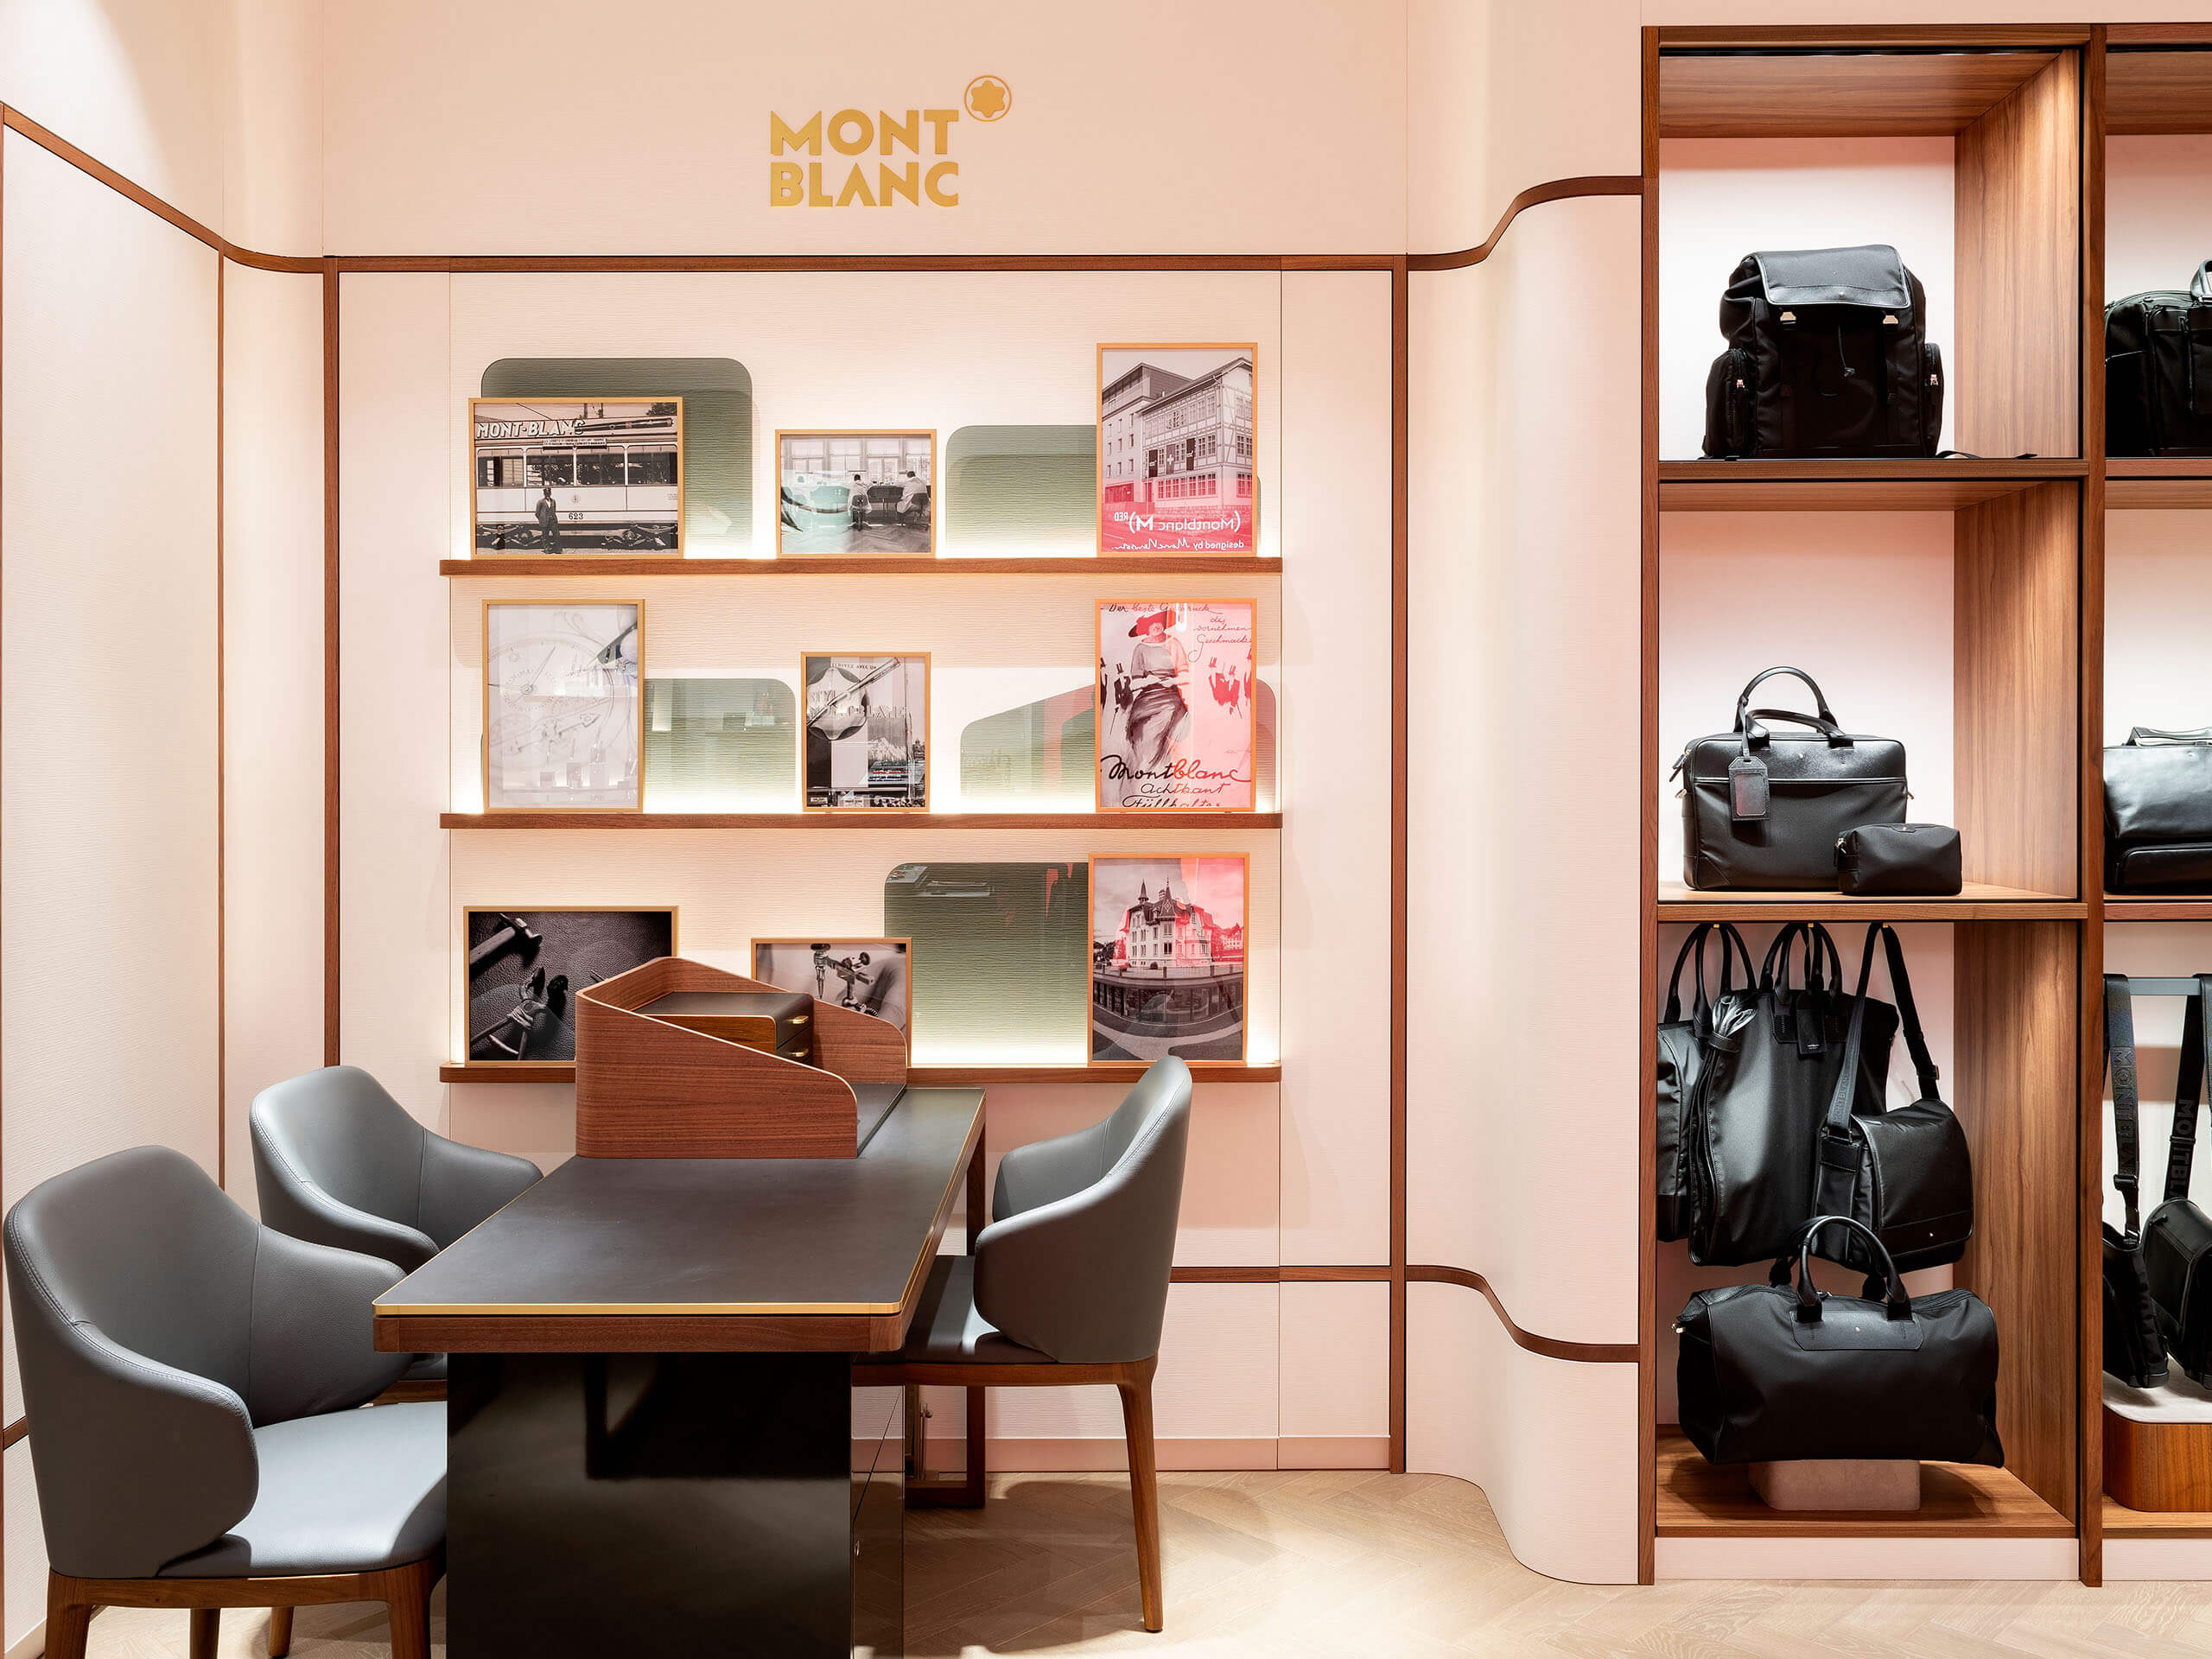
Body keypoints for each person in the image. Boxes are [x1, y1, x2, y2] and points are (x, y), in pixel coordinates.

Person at [1122, 608, 1190, 773]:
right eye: (1151, 623)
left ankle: (1157, 764)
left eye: (1158, 621)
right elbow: (1135, 682)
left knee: (1167, 713)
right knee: (1138, 720)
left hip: (1171, 695)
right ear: (1146, 628)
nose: (1156, 626)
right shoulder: (1140, 648)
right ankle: (1143, 765)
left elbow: (1185, 674)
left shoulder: (1174, 643)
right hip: (1147, 696)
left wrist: (1171, 681)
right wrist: (1148, 681)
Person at [535, 482, 562, 554]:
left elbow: (554, 510)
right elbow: (537, 513)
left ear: (550, 493)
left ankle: (558, 549)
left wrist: (553, 518)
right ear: (544, 494)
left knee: (556, 535)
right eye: (546, 493)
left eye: (549, 493)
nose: (547, 494)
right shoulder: (540, 502)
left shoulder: (553, 501)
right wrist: (542, 519)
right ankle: (547, 549)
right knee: (545, 536)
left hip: (553, 521)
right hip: (545, 522)